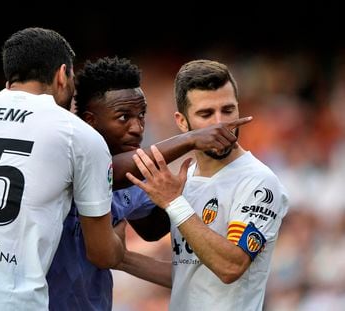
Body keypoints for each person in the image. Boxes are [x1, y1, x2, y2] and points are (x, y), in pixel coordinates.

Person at [0, 27, 125, 310]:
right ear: (62, 74)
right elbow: (102, 253)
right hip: (11, 302)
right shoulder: (78, 134)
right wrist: (122, 233)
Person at [47, 56, 253, 310]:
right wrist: (190, 139)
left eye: (142, 115)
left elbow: (152, 229)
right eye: (124, 117)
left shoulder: (133, 175)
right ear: (90, 120)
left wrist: (188, 195)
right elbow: (105, 171)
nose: (138, 127)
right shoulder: (63, 157)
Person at [121, 59, 290, 311]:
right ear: (181, 122)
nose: (220, 123)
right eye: (206, 114)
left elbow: (230, 267)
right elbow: (190, 275)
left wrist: (174, 203)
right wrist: (122, 259)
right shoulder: (185, 179)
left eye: (228, 110)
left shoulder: (258, 181)